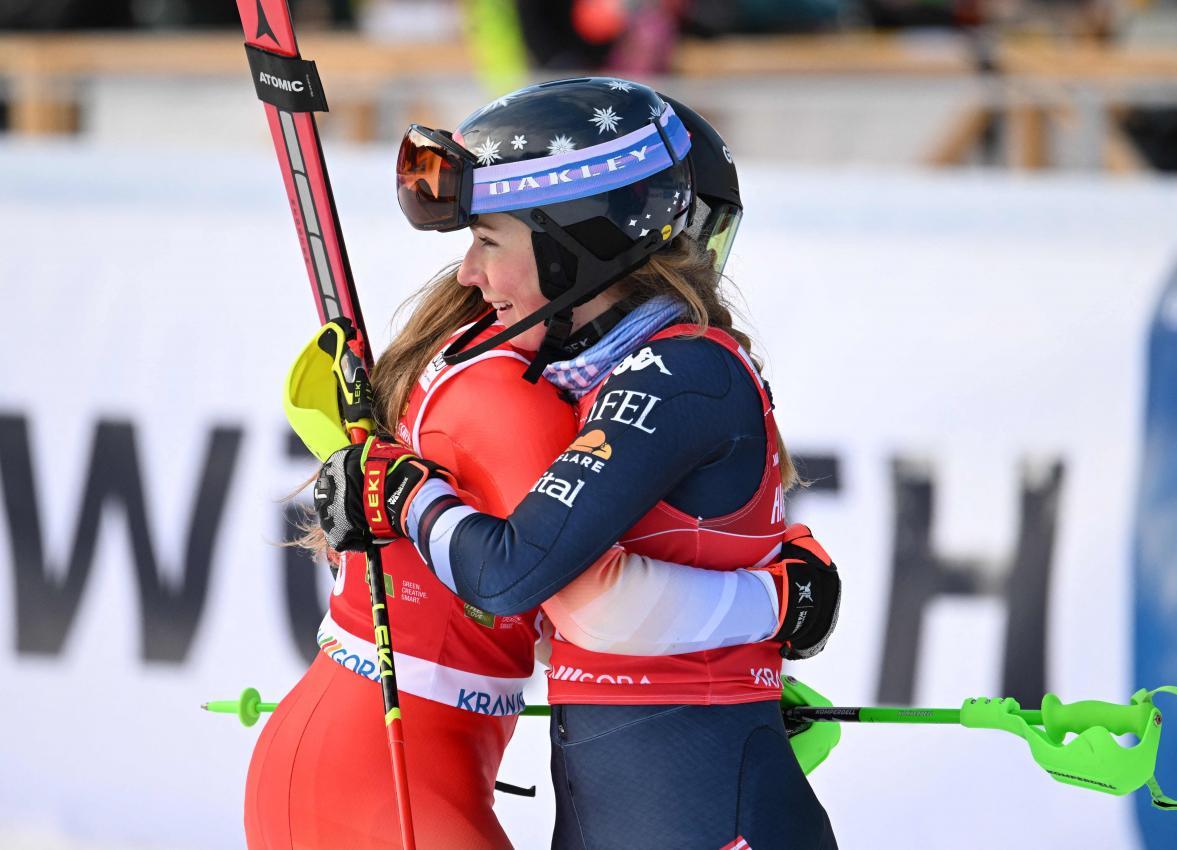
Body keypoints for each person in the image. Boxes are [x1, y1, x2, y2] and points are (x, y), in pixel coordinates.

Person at [247, 90, 838, 850]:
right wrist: (775, 603)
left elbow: (541, 587)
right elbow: (573, 596)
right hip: (577, 798)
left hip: (679, 807)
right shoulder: (550, 383)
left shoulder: (664, 373)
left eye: (488, 241)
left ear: (578, 243)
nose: (465, 271)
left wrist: (406, 497)